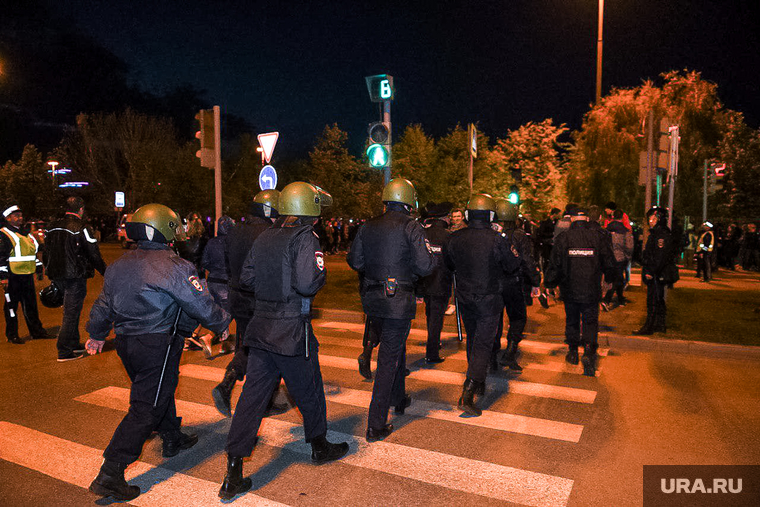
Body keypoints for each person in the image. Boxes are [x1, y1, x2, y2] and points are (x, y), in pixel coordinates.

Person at [85, 204, 231, 502]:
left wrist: (96, 334)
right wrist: (221, 324)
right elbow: (199, 303)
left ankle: (172, 437)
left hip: (127, 343)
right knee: (145, 407)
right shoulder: (174, 265)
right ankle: (110, 473)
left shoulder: (119, 264)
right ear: (165, 228)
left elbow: (103, 303)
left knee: (158, 390)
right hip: (158, 343)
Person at [221, 182, 348, 500]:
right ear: (311, 209)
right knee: (310, 390)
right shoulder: (306, 237)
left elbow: (247, 278)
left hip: (261, 330)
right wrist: (319, 275)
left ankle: (233, 473)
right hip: (291, 331)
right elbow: (307, 283)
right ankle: (320, 446)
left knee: (251, 401)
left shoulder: (265, 235)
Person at [347, 178, 434, 440]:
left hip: (373, 301)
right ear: (409, 201)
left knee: (395, 349)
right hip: (398, 301)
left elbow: (355, 261)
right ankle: (375, 423)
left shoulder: (368, 225)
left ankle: (398, 397)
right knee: (388, 359)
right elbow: (425, 266)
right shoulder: (412, 227)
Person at [444, 194, 520, 415]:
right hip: (489, 299)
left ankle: (478, 380)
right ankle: (469, 389)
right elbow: (512, 264)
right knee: (483, 344)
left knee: (473, 340)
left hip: (465, 298)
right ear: (491, 215)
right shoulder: (496, 238)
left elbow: (448, 264)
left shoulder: (455, 238)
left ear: (467, 214)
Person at [212, 190, 280, 417]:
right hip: (259, 299)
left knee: (247, 344)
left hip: (236, 298)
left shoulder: (234, 231)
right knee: (267, 349)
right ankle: (262, 400)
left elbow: (228, 265)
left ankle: (231, 380)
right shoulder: (271, 233)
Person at [544, 207, 614, 377]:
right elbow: (608, 261)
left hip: (570, 289)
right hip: (591, 289)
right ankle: (589, 352)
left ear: (572, 219)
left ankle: (573, 351)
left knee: (572, 320)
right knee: (590, 321)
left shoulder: (564, 238)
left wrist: (550, 284)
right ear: (587, 220)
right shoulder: (598, 237)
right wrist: (609, 280)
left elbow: (555, 264)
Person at [44, 196, 107, 362]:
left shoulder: (52, 227)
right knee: (71, 314)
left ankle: (72, 343)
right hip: (75, 275)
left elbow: (46, 252)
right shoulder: (82, 228)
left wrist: (48, 270)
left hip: (58, 275)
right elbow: (93, 253)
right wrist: (105, 272)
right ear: (81, 209)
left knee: (72, 311)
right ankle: (64, 351)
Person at [493, 198, 540, 372]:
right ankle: (510, 353)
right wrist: (535, 281)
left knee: (495, 318)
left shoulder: (491, 232)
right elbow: (527, 260)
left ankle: (493, 353)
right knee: (518, 318)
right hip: (513, 282)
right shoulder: (520, 235)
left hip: (494, 283)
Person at [1, 203, 47, 344]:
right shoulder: (4, 234)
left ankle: (36, 332)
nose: (20, 218)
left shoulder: (26, 234)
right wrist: (3, 277)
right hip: (12, 276)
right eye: (16, 216)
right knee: (11, 308)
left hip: (27, 275)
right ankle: (12, 335)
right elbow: (1, 257)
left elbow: (32, 253)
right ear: (8, 218)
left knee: (31, 305)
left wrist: (39, 269)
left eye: (20, 215)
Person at [416, 202, 453, 364]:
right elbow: (453, 261)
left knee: (430, 314)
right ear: (444, 217)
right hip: (441, 282)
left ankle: (434, 341)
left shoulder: (424, 233)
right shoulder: (448, 236)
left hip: (426, 280)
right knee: (437, 317)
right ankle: (432, 352)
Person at [634, 207, 677, 335]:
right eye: (649, 219)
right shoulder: (659, 233)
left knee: (653, 300)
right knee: (658, 299)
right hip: (657, 272)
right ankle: (659, 325)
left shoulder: (660, 235)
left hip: (656, 273)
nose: (650, 221)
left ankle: (649, 327)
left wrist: (650, 271)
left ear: (659, 219)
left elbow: (659, 257)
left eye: (653, 218)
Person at [199, 215, 235, 356]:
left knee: (219, 311)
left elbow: (204, 262)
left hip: (213, 281)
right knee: (228, 312)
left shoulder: (211, 242)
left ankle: (225, 343)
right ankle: (210, 336)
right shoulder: (232, 242)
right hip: (226, 282)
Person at [602, 209, 634, 310]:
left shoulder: (606, 229)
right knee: (618, 280)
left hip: (608, 258)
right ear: (622, 217)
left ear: (613, 216)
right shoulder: (625, 231)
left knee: (618, 278)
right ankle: (606, 300)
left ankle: (620, 299)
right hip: (620, 258)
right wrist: (628, 256)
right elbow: (629, 247)